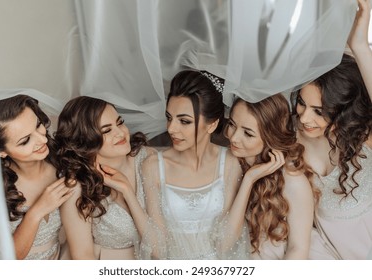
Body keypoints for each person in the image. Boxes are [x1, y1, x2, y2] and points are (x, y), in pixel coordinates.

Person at [136, 70, 250, 259]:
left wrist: (249, 181)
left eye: (184, 121)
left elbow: (227, 243)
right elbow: (158, 250)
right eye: (169, 117)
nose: (171, 129)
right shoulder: (153, 167)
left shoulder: (230, 162)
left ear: (212, 125)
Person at [291, 0, 372, 259]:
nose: (304, 117)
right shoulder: (290, 145)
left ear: (342, 110)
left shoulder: (364, 140)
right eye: (302, 103)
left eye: (319, 111)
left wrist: (359, 45)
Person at [54, 96, 156, 259]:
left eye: (120, 122)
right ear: (85, 141)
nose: (121, 133)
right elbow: (83, 257)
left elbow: (161, 244)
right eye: (107, 130)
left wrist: (127, 191)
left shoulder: (147, 159)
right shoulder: (77, 187)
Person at [224, 93, 317, 259]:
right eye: (232, 124)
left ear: (270, 137)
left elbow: (298, 249)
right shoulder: (229, 163)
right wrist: (249, 180)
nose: (234, 137)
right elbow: (225, 243)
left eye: (248, 133)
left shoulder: (293, 181)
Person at [0, 94, 73, 260]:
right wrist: (37, 211)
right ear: (0, 151)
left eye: (38, 125)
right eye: (25, 141)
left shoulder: (63, 163)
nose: (43, 139)